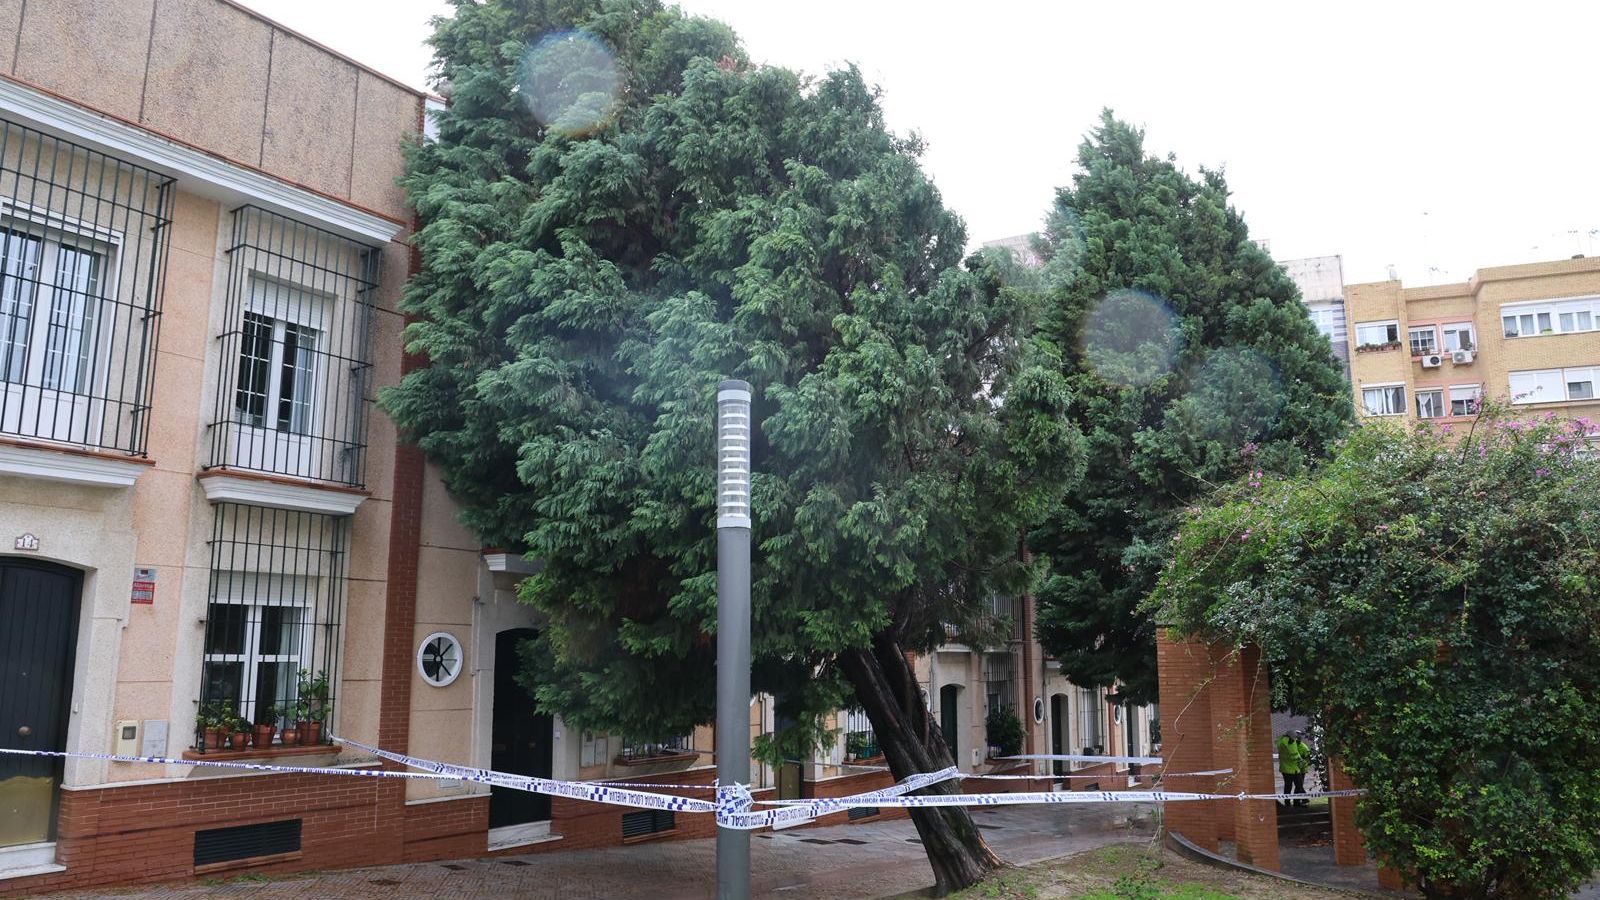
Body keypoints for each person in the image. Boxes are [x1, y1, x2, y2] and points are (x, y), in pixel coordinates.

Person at [1275, 729, 1311, 806]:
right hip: (1293, 769)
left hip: (1284, 768)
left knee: (1288, 786)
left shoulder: (1281, 741)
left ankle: (1287, 803)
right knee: (1299, 785)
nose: (1296, 738)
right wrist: (1302, 765)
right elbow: (1295, 756)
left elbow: (1277, 740)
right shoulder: (1291, 743)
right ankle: (1298, 802)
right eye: (1295, 737)